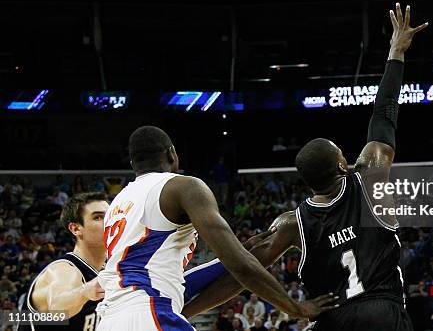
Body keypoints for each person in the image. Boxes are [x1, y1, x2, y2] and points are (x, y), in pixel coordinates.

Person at [182, 3, 427, 331]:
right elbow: (384, 114)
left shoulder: (291, 224)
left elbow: (243, 272)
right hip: (384, 313)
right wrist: (396, 52)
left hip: (334, 319)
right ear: (343, 165)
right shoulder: (370, 176)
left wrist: (189, 310)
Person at [96, 126, 336, 331]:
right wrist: (296, 308)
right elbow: (240, 265)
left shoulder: (118, 203)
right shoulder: (183, 187)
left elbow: (167, 278)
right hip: (148, 312)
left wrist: (233, 255)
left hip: (109, 319)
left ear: (132, 163)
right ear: (172, 154)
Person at [17, 192, 109, 331]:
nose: (109, 221)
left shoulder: (108, 268)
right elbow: (57, 307)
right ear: (76, 228)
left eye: (110, 215)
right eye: (98, 217)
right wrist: (84, 291)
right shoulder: (64, 269)